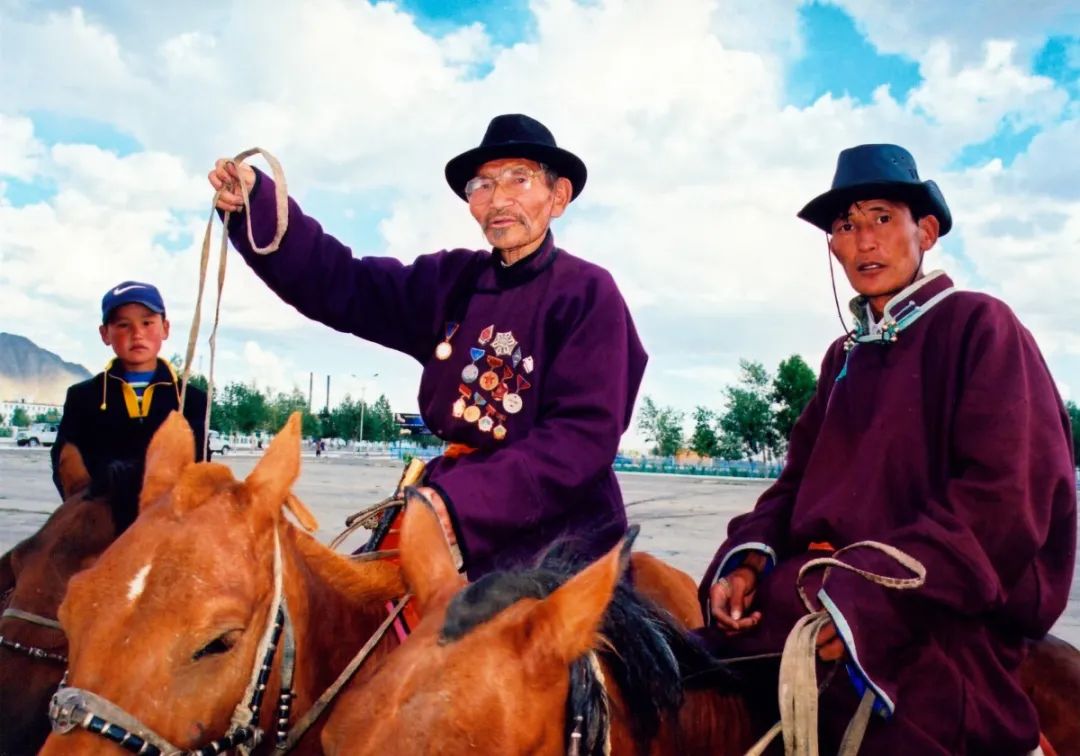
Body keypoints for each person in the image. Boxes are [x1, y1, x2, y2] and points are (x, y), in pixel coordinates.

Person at [699, 144, 1076, 754]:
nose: (864, 240)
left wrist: (865, 597)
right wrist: (746, 562)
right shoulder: (843, 357)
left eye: (881, 217)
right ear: (834, 247)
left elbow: (1004, 502)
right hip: (816, 596)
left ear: (924, 231)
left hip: (935, 614)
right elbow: (794, 482)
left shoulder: (981, 327)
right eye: (847, 225)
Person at [209, 114, 646, 578]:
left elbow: (581, 438)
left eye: (520, 179)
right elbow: (345, 284)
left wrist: (463, 503)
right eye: (481, 185)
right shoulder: (451, 281)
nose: (498, 199)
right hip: (445, 499)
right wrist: (257, 205)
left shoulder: (588, 292)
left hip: (559, 534)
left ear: (558, 196)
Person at [51, 281, 208, 498]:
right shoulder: (83, 397)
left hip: (171, 522)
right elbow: (66, 466)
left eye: (147, 322)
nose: (137, 334)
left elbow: (200, 469)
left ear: (165, 328)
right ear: (105, 333)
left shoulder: (192, 400)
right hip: (102, 520)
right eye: (123, 325)